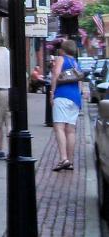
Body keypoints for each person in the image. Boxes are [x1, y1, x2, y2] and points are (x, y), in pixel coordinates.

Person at [49, 39, 82, 172]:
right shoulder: (76, 63)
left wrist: (52, 92)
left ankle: (63, 159)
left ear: (63, 49)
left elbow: (56, 75)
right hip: (75, 98)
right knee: (71, 130)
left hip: (62, 96)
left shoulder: (61, 59)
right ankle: (70, 161)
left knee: (59, 127)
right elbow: (79, 83)